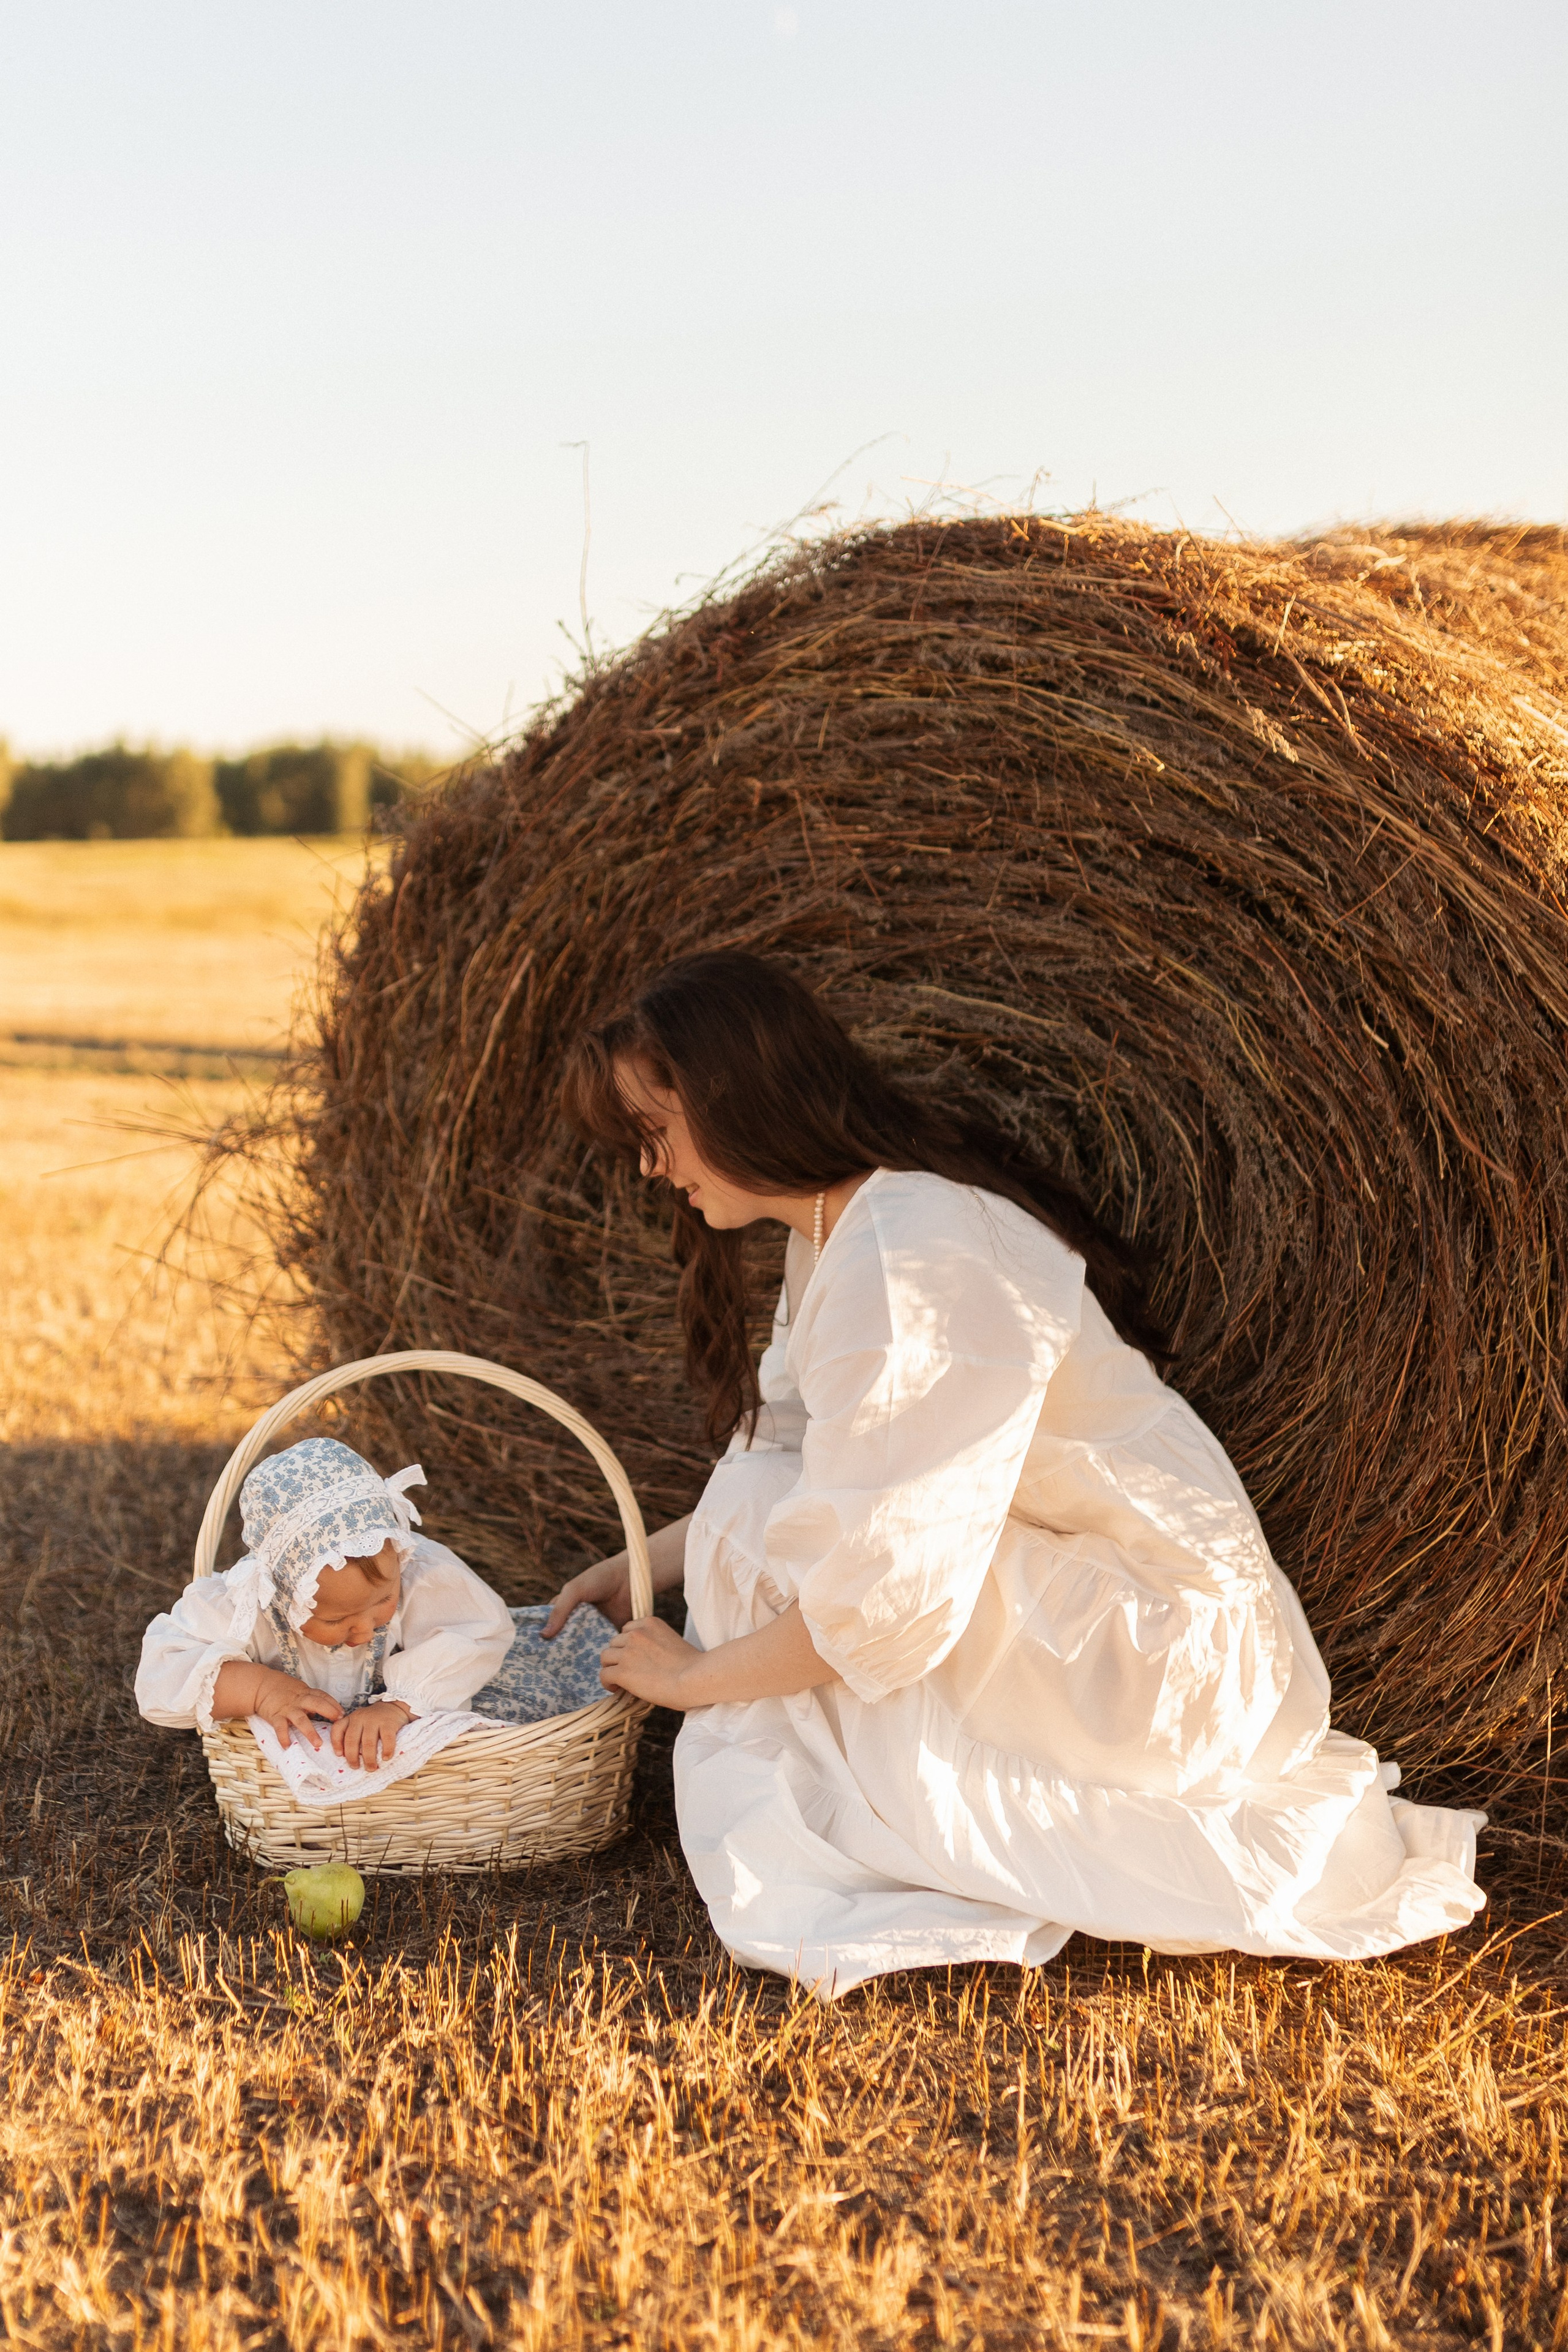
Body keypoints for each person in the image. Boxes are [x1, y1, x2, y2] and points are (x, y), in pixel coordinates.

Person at [544, 949, 1486, 1997]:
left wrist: (694, 1679)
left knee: (774, 1534)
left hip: (1164, 1652)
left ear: (734, 1098)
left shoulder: (909, 1261)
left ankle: (891, 1822)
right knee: (759, 1512)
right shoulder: (845, 1238)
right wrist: (645, 1565)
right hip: (1103, 1617)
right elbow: (810, 1473)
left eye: (654, 1132)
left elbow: (881, 1596)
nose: (650, 1168)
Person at [137, 1437, 613, 1763]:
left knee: (522, 1701)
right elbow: (161, 1678)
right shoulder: (248, 1603)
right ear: (284, 1592)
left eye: (383, 1600)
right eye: (338, 1618)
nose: (365, 1630)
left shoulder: (417, 1570)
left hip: (419, 1704)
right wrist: (261, 1689)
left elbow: (477, 1631)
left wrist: (402, 1706)